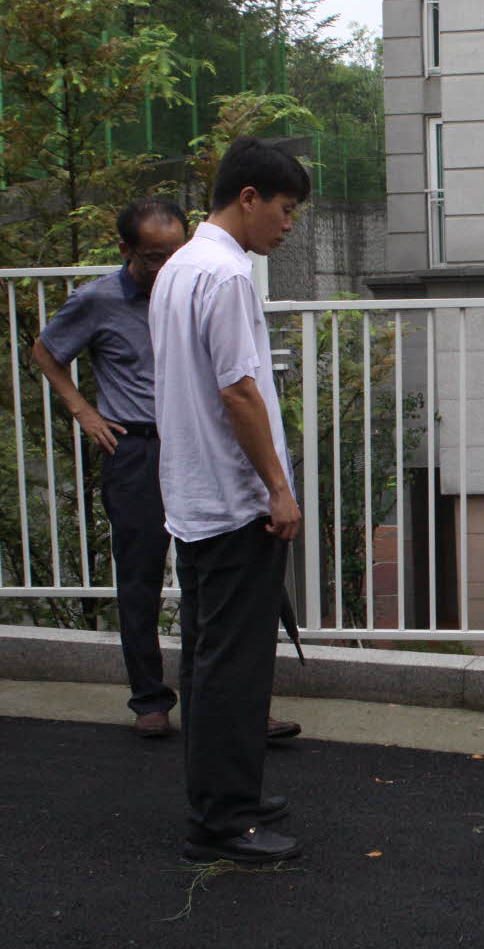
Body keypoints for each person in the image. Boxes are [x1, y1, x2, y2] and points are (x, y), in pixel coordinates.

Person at [31, 199, 302, 744]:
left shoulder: (193, 281)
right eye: (153, 257)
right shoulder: (100, 299)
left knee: (222, 582)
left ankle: (235, 704)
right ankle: (150, 700)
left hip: (199, 446)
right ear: (126, 250)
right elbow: (45, 351)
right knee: (141, 575)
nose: (164, 265)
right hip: (138, 447)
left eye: (173, 252)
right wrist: (84, 410)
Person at [149, 137, 309, 863]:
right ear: (248, 197)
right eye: (284, 209)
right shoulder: (225, 275)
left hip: (192, 493)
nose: (288, 224)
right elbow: (239, 390)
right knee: (234, 666)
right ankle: (222, 819)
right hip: (233, 498)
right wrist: (278, 488)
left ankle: (224, 792)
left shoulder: (179, 267)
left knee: (208, 658)